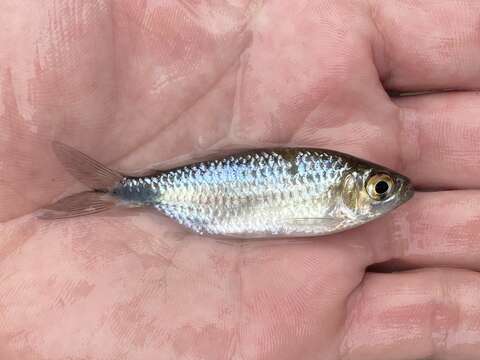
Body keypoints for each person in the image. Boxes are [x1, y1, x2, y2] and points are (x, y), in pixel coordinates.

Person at [1, 1, 479, 359]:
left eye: (383, 189)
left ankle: (120, 190)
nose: (389, 194)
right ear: (350, 189)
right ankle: (120, 190)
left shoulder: (332, 185)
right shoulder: (332, 189)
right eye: (380, 188)